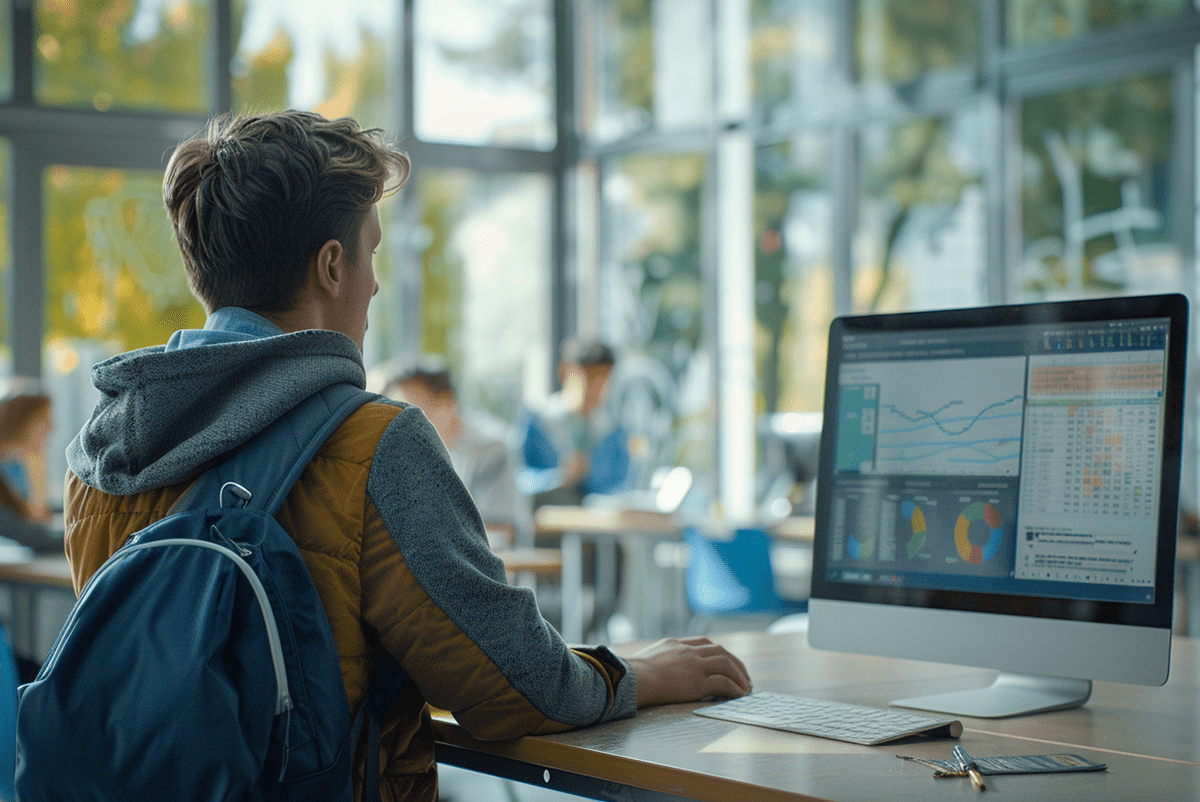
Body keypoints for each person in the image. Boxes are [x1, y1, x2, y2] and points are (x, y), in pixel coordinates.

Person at [62, 109, 751, 801]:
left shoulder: (103, 453)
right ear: (333, 265)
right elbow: (509, 686)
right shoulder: (371, 442)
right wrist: (638, 672)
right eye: (372, 252)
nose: (376, 286)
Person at [381, 357, 532, 547]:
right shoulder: (406, 452)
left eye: (412, 412)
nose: (403, 426)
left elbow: (502, 530)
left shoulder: (491, 448)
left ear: (447, 402)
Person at [515, 338, 631, 507]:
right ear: (565, 373)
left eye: (604, 377)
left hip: (596, 526)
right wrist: (558, 476)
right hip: (546, 526)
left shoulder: (614, 431)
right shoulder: (538, 421)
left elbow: (621, 486)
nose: (596, 387)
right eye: (588, 376)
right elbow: (516, 478)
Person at [0, 387, 64, 554]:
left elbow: (40, 516)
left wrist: (36, 462)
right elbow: (34, 537)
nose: (52, 427)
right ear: (22, 422)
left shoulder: (13, 467)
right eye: (44, 419)